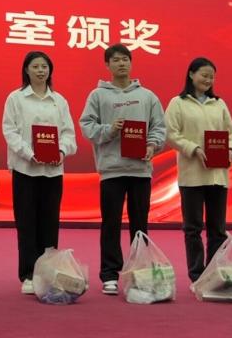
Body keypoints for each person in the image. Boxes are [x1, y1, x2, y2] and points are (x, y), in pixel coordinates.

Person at [79, 43, 165, 295]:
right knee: (111, 223)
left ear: (131, 62)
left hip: (140, 169)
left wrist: (152, 145)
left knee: (140, 224)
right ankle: (110, 275)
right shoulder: (98, 96)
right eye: (116, 60)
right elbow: (87, 126)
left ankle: (140, 271)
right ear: (107, 65)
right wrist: (109, 129)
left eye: (125, 59)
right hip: (112, 170)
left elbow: (159, 127)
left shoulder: (147, 96)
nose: (121, 64)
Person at [3, 51, 77, 294]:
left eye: (44, 66)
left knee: (50, 222)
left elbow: (68, 133)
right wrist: (29, 153)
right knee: (26, 223)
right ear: (26, 70)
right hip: (25, 169)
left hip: (53, 171)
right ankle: (28, 275)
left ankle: (47, 273)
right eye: (35, 66)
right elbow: (10, 131)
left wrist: (62, 151)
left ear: (50, 70)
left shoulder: (59, 100)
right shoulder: (16, 98)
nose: (40, 70)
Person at [165, 56, 232, 282]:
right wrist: (193, 148)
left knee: (218, 229)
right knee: (193, 228)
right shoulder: (178, 103)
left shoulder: (219, 103)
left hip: (218, 175)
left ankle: (214, 272)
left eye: (212, 77)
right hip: (192, 175)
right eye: (204, 75)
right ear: (191, 74)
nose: (208, 80)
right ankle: (197, 275)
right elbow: (171, 134)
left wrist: (231, 150)